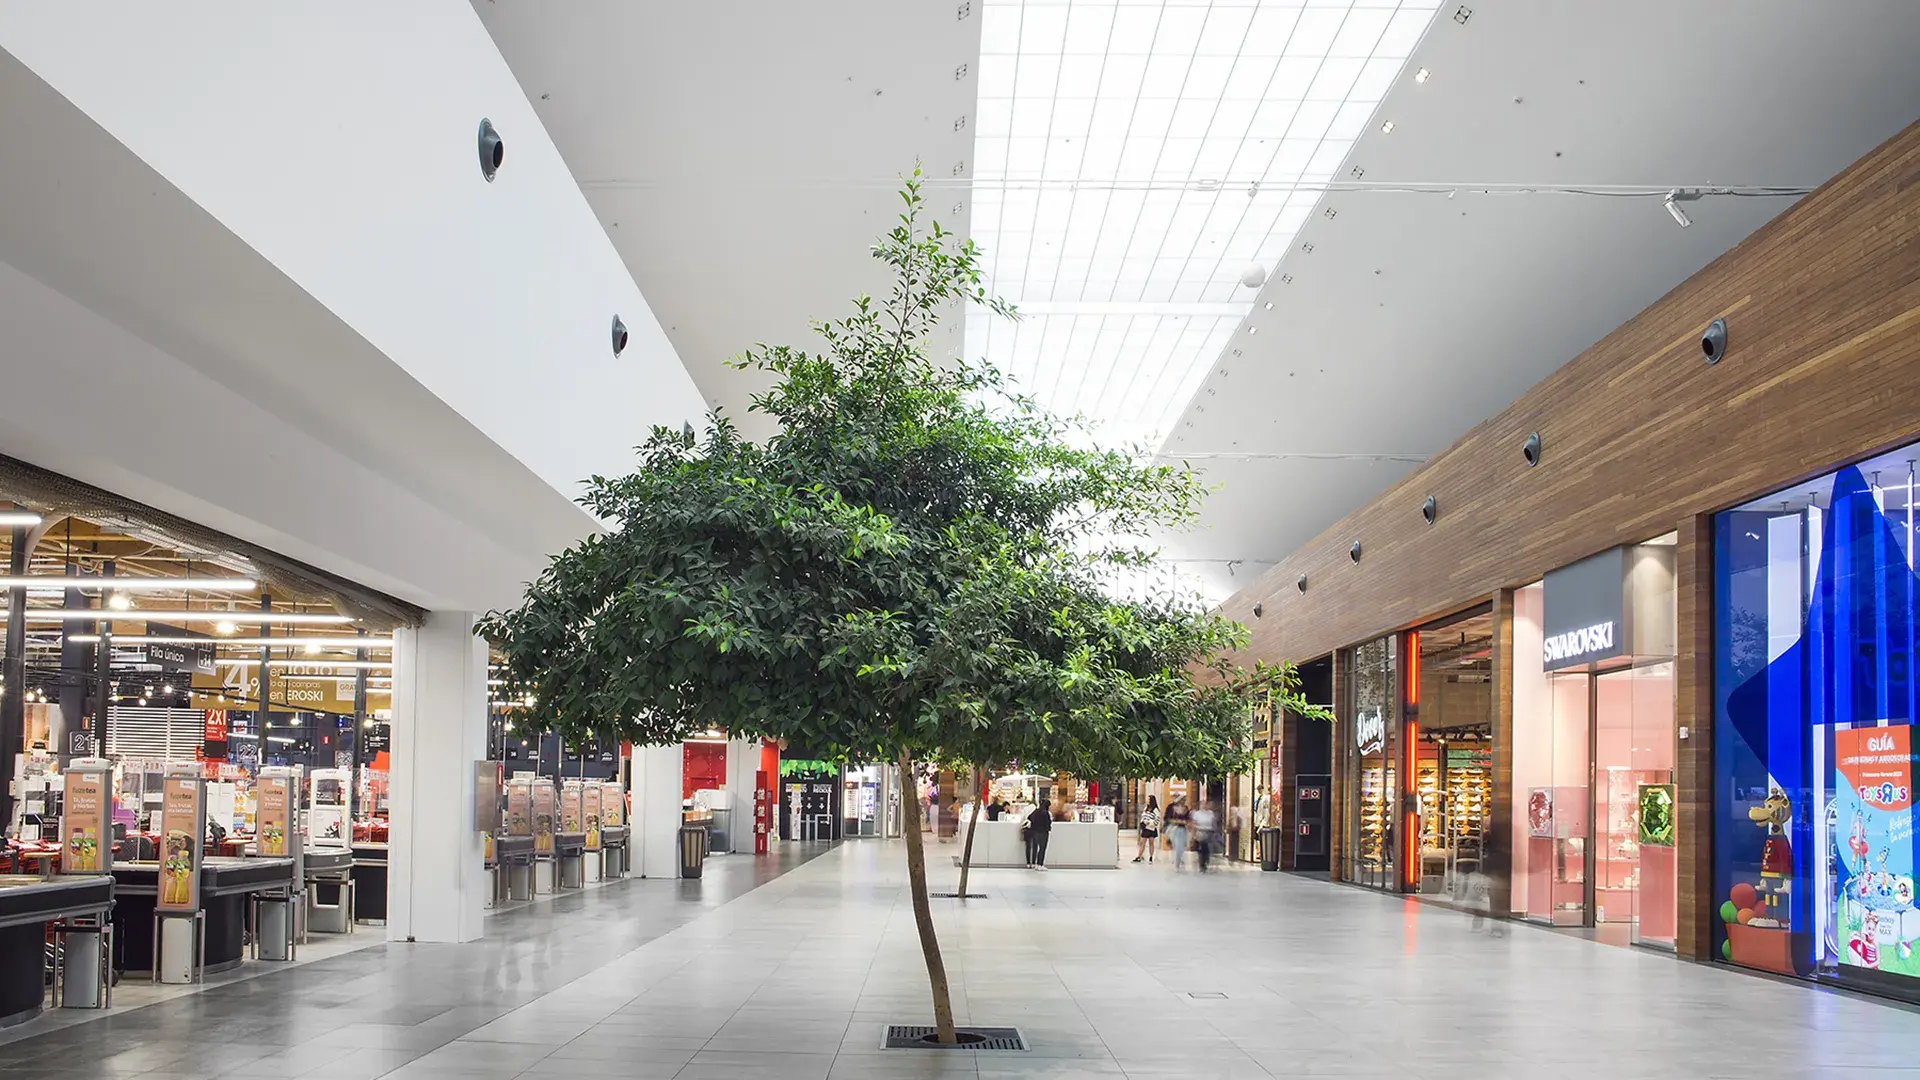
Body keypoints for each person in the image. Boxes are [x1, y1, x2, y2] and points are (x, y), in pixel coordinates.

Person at [1164, 795, 1192, 870]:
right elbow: (1168, 819)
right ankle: (1177, 862)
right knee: (1176, 846)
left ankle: (1179, 860)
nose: (1183, 801)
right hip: (1175, 828)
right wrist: (1177, 821)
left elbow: (1188, 819)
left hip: (1183, 829)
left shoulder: (1186, 809)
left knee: (1182, 846)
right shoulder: (1172, 808)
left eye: (1184, 800)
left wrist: (1186, 823)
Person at [1024, 801, 1052, 870]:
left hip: (1035, 832)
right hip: (1043, 833)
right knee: (1042, 849)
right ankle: (1040, 864)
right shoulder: (1046, 813)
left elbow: (1029, 817)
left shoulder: (1036, 811)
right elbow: (1048, 823)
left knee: (1035, 848)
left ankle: (1034, 864)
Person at [1191, 801, 1218, 872]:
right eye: (1202, 804)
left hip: (1209, 832)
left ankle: (1206, 860)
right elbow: (1194, 823)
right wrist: (1193, 834)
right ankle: (1202, 865)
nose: (1204, 806)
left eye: (1205, 804)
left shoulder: (1210, 813)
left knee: (1207, 848)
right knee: (1202, 848)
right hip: (1200, 832)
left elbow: (1213, 822)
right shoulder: (1197, 813)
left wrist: (1214, 830)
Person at [1133, 796, 1160, 863]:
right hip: (1145, 828)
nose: (1147, 800)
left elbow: (1157, 819)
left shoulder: (1155, 810)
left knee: (1151, 843)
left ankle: (1151, 857)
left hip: (1151, 828)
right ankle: (1139, 856)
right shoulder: (1146, 808)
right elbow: (1143, 816)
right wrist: (1142, 822)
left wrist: (1150, 823)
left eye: (1148, 799)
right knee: (1142, 842)